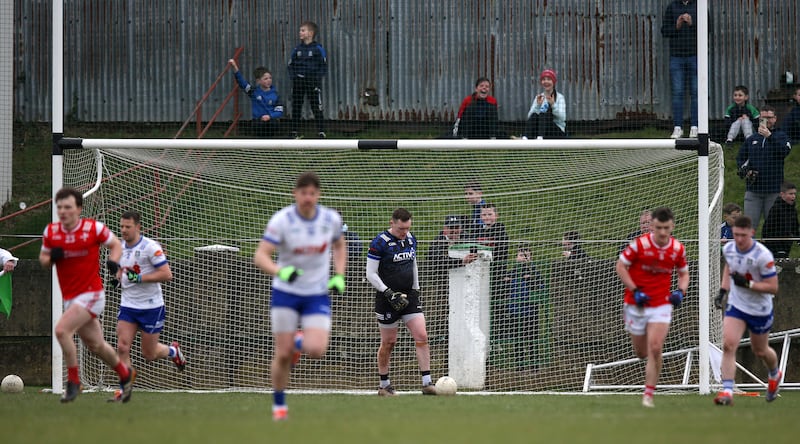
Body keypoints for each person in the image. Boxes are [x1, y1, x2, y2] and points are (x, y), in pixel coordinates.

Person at [253, 171, 347, 420]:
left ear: (318, 195)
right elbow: (260, 256)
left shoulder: (330, 219)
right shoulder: (282, 220)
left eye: (312, 193)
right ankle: (279, 405)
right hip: (286, 293)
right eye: (303, 193)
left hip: (316, 294)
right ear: (295, 194)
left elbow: (339, 245)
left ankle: (297, 342)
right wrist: (281, 271)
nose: (308, 197)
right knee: (282, 355)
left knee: (317, 349)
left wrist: (339, 274)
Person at [39, 187, 136, 403]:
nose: (63, 211)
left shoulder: (93, 228)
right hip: (71, 299)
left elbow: (116, 244)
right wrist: (53, 257)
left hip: (92, 295)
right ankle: (124, 373)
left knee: (62, 330)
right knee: (96, 346)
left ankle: (73, 382)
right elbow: (44, 261)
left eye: (68, 207)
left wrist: (114, 260)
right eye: (60, 207)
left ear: (79, 209)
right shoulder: (52, 232)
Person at [615, 207, 689, 408]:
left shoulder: (677, 248)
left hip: (660, 304)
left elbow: (684, 274)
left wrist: (680, 292)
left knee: (656, 347)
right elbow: (620, 267)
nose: (663, 233)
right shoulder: (639, 245)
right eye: (658, 228)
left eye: (666, 228)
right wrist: (635, 289)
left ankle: (648, 395)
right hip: (636, 303)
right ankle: (648, 370)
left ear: (672, 226)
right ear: (652, 227)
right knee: (641, 352)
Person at [108, 210, 184, 402]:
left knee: (149, 354)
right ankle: (124, 389)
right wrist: (117, 279)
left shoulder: (151, 247)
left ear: (138, 227)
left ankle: (173, 351)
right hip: (128, 305)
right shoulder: (117, 247)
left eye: (128, 227)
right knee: (122, 347)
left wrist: (139, 278)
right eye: (122, 226)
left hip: (151, 306)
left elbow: (167, 274)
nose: (124, 230)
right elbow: (122, 272)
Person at [366, 208, 437, 396]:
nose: (404, 232)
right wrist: (387, 292)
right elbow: (370, 273)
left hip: (409, 296)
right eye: (400, 229)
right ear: (392, 223)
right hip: (387, 299)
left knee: (421, 335)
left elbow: (413, 262)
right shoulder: (379, 243)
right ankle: (384, 385)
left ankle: (427, 383)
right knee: (389, 342)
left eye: (407, 228)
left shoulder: (411, 238)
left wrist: (416, 287)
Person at [714, 215, 782, 405]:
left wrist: (748, 283)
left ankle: (774, 374)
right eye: (736, 234)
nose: (739, 239)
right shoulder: (729, 248)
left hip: (759, 308)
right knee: (728, 344)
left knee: (760, 351)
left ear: (751, 233)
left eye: (743, 235)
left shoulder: (763, 256)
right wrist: (722, 292)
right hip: (737, 305)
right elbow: (729, 268)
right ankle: (727, 391)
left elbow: (773, 287)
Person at [736, 105, 792, 231]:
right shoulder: (752, 139)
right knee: (749, 227)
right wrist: (746, 171)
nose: (766, 120)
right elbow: (740, 158)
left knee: (773, 228)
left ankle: (772, 251)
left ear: (775, 118)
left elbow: (784, 151)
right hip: (753, 190)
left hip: (774, 191)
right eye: (763, 118)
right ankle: (748, 250)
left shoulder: (782, 136)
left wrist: (769, 136)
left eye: (769, 117)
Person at [661, 0, 701, 139]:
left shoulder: (699, 6)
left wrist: (692, 23)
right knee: (678, 92)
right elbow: (664, 31)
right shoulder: (672, 6)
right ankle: (678, 127)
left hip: (695, 56)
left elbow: (708, 29)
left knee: (696, 93)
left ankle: (695, 127)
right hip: (676, 56)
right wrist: (676, 26)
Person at [505, 244, 545, 369]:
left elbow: (541, 287)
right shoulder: (512, 272)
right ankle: (519, 364)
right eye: (521, 255)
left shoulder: (534, 271)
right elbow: (503, 288)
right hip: (515, 309)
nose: (524, 258)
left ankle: (534, 364)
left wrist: (532, 280)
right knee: (517, 337)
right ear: (517, 257)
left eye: (527, 256)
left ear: (531, 257)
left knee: (532, 337)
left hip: (530, 309)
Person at [475, 202, 511, 341]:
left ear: (496, 216)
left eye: (490, 214)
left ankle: (498, 337)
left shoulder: (500, 231)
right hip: (481, 275)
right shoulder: (477, 230)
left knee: (497, 306)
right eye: (484, 214)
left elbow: (501, 253)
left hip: (497, 275)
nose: (487, 217)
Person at [287, 21, 328, 139]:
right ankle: (294, 131)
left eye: (303, 30)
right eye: (300, 30)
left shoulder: (318, 49)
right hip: (299, 82)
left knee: (316, 106)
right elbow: (290, 64)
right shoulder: (297, 49)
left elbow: (323, 65)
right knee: (296, 106)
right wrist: (294, 77)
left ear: (310, 33)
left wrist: (316, 79)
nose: (300, 32)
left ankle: (321, 131)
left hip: (312, 82)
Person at [229, 59, 284, 138]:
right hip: (258, 122)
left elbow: (279, 111)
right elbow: (242, 83)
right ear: (258, 81)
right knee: (258, 129)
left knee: (273, 126)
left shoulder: (275, 94)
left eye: (270, 78)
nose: (269, 80)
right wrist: (234, 66)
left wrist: (270, 116)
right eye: (265, 79)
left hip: (271, 121)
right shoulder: (254, 92)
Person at [523, 69, 566, 139]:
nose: (546, 81)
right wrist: (538, 105)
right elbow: (530, 117)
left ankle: (540, 137)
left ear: (553, 82)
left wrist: (553, 105)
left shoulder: (560, 97)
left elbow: (562, 118)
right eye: (543, 79)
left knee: (544, 114)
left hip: (556, 131)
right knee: (535, 115)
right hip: (540, 129)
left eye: (549, 79)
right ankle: (526, 138)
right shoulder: (539, 97)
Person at [761, 181, 799, 258]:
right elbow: (768, 227)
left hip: (786, 244)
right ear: (782, 195)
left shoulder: (793, 210)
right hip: (775, 244)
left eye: (794, 194)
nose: (793, 196)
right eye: (790, 194)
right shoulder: (776, 209)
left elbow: (795, 227)